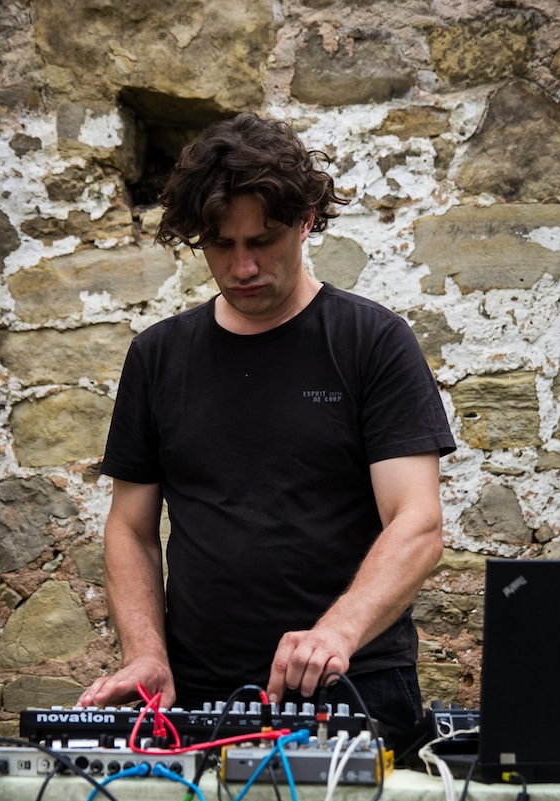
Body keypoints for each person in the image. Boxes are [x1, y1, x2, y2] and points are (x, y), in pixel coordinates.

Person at [77, 113, 456, 746]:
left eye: (263, 240)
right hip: (196, 692)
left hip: (354, 684)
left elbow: (417, 522)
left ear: (305, 221)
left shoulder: (373, 342)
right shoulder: (157, 355)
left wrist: (335, 634)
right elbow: (132, 528)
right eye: (220, 245)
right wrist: (146, 655)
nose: (243, 266)